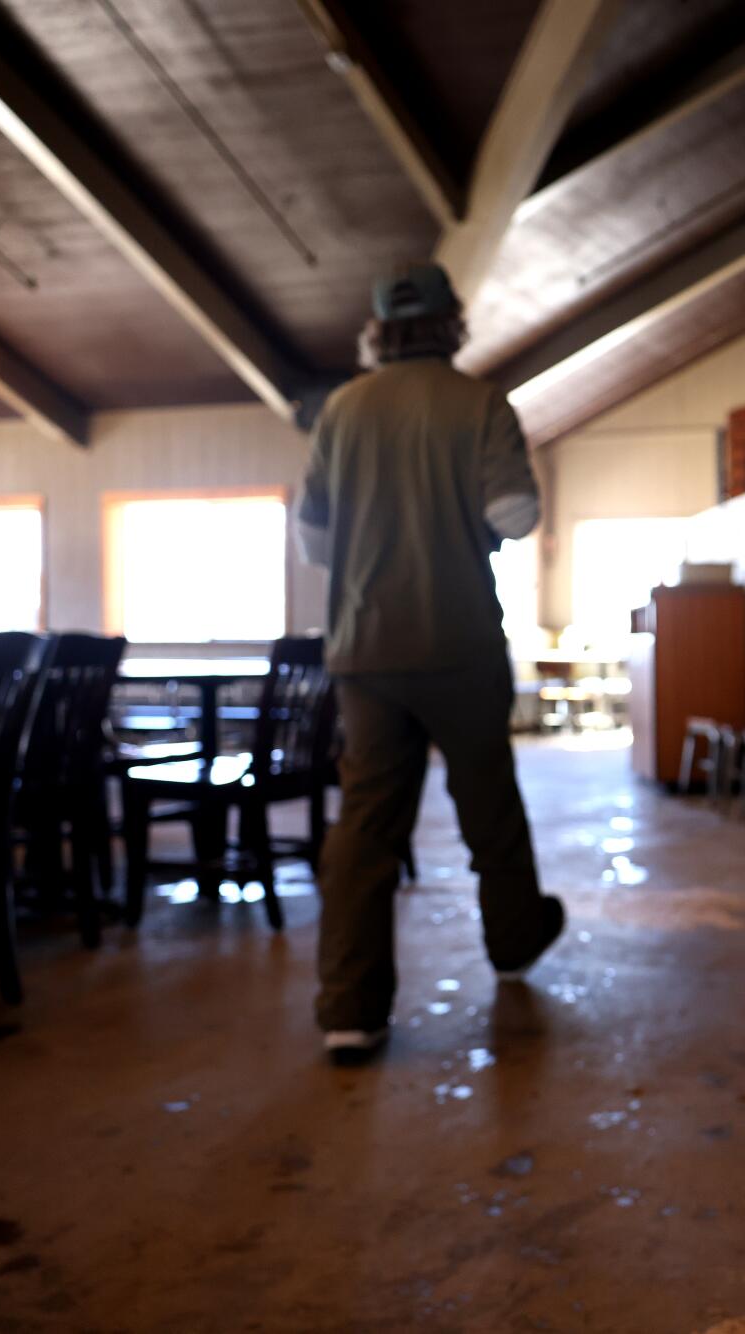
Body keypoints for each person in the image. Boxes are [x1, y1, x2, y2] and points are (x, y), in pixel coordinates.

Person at [296, 261, 565, 1065]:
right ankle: (514, 939)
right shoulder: (479, 402)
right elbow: (513, 514)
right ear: (452, 322)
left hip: (364, 649)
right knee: (488, 803)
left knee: (366, 822)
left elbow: (313, 539)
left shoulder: (340, 410)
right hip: (459, 641)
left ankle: (350, 1011)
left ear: (378, 328)